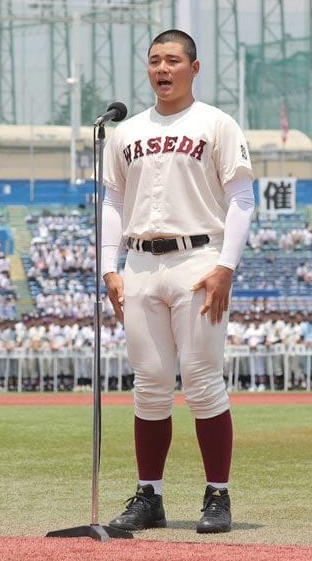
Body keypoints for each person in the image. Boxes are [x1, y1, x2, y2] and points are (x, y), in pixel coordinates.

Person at [100, 29, 255, 534]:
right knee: (149, 384)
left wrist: (226, 266)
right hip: (141, 262)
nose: (162, 69)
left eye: (172, 60)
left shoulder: (216, 123)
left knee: (204, 381)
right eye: (153, 61)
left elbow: (241, 200)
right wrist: (109, 266)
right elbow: (113, 202)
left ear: (195, 66)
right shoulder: (126, 132)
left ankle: (218, 496)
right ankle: (150, 496)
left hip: (198, 258)